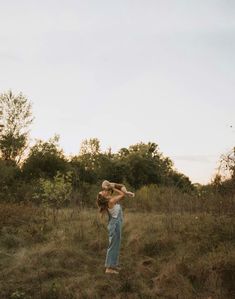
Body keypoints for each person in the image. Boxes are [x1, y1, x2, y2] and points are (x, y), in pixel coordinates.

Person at [96, 186, 127, 274]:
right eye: (102, 192)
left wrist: (111, 188)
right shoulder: (111, 201)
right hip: (114, 226)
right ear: (103, 197)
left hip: (115, 224)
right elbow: (122, 194)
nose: (104, 191)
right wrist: (113, 188)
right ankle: (109, 268)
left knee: (116, 246)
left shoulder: (109, 199)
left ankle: (113, 265)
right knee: (113, 246)